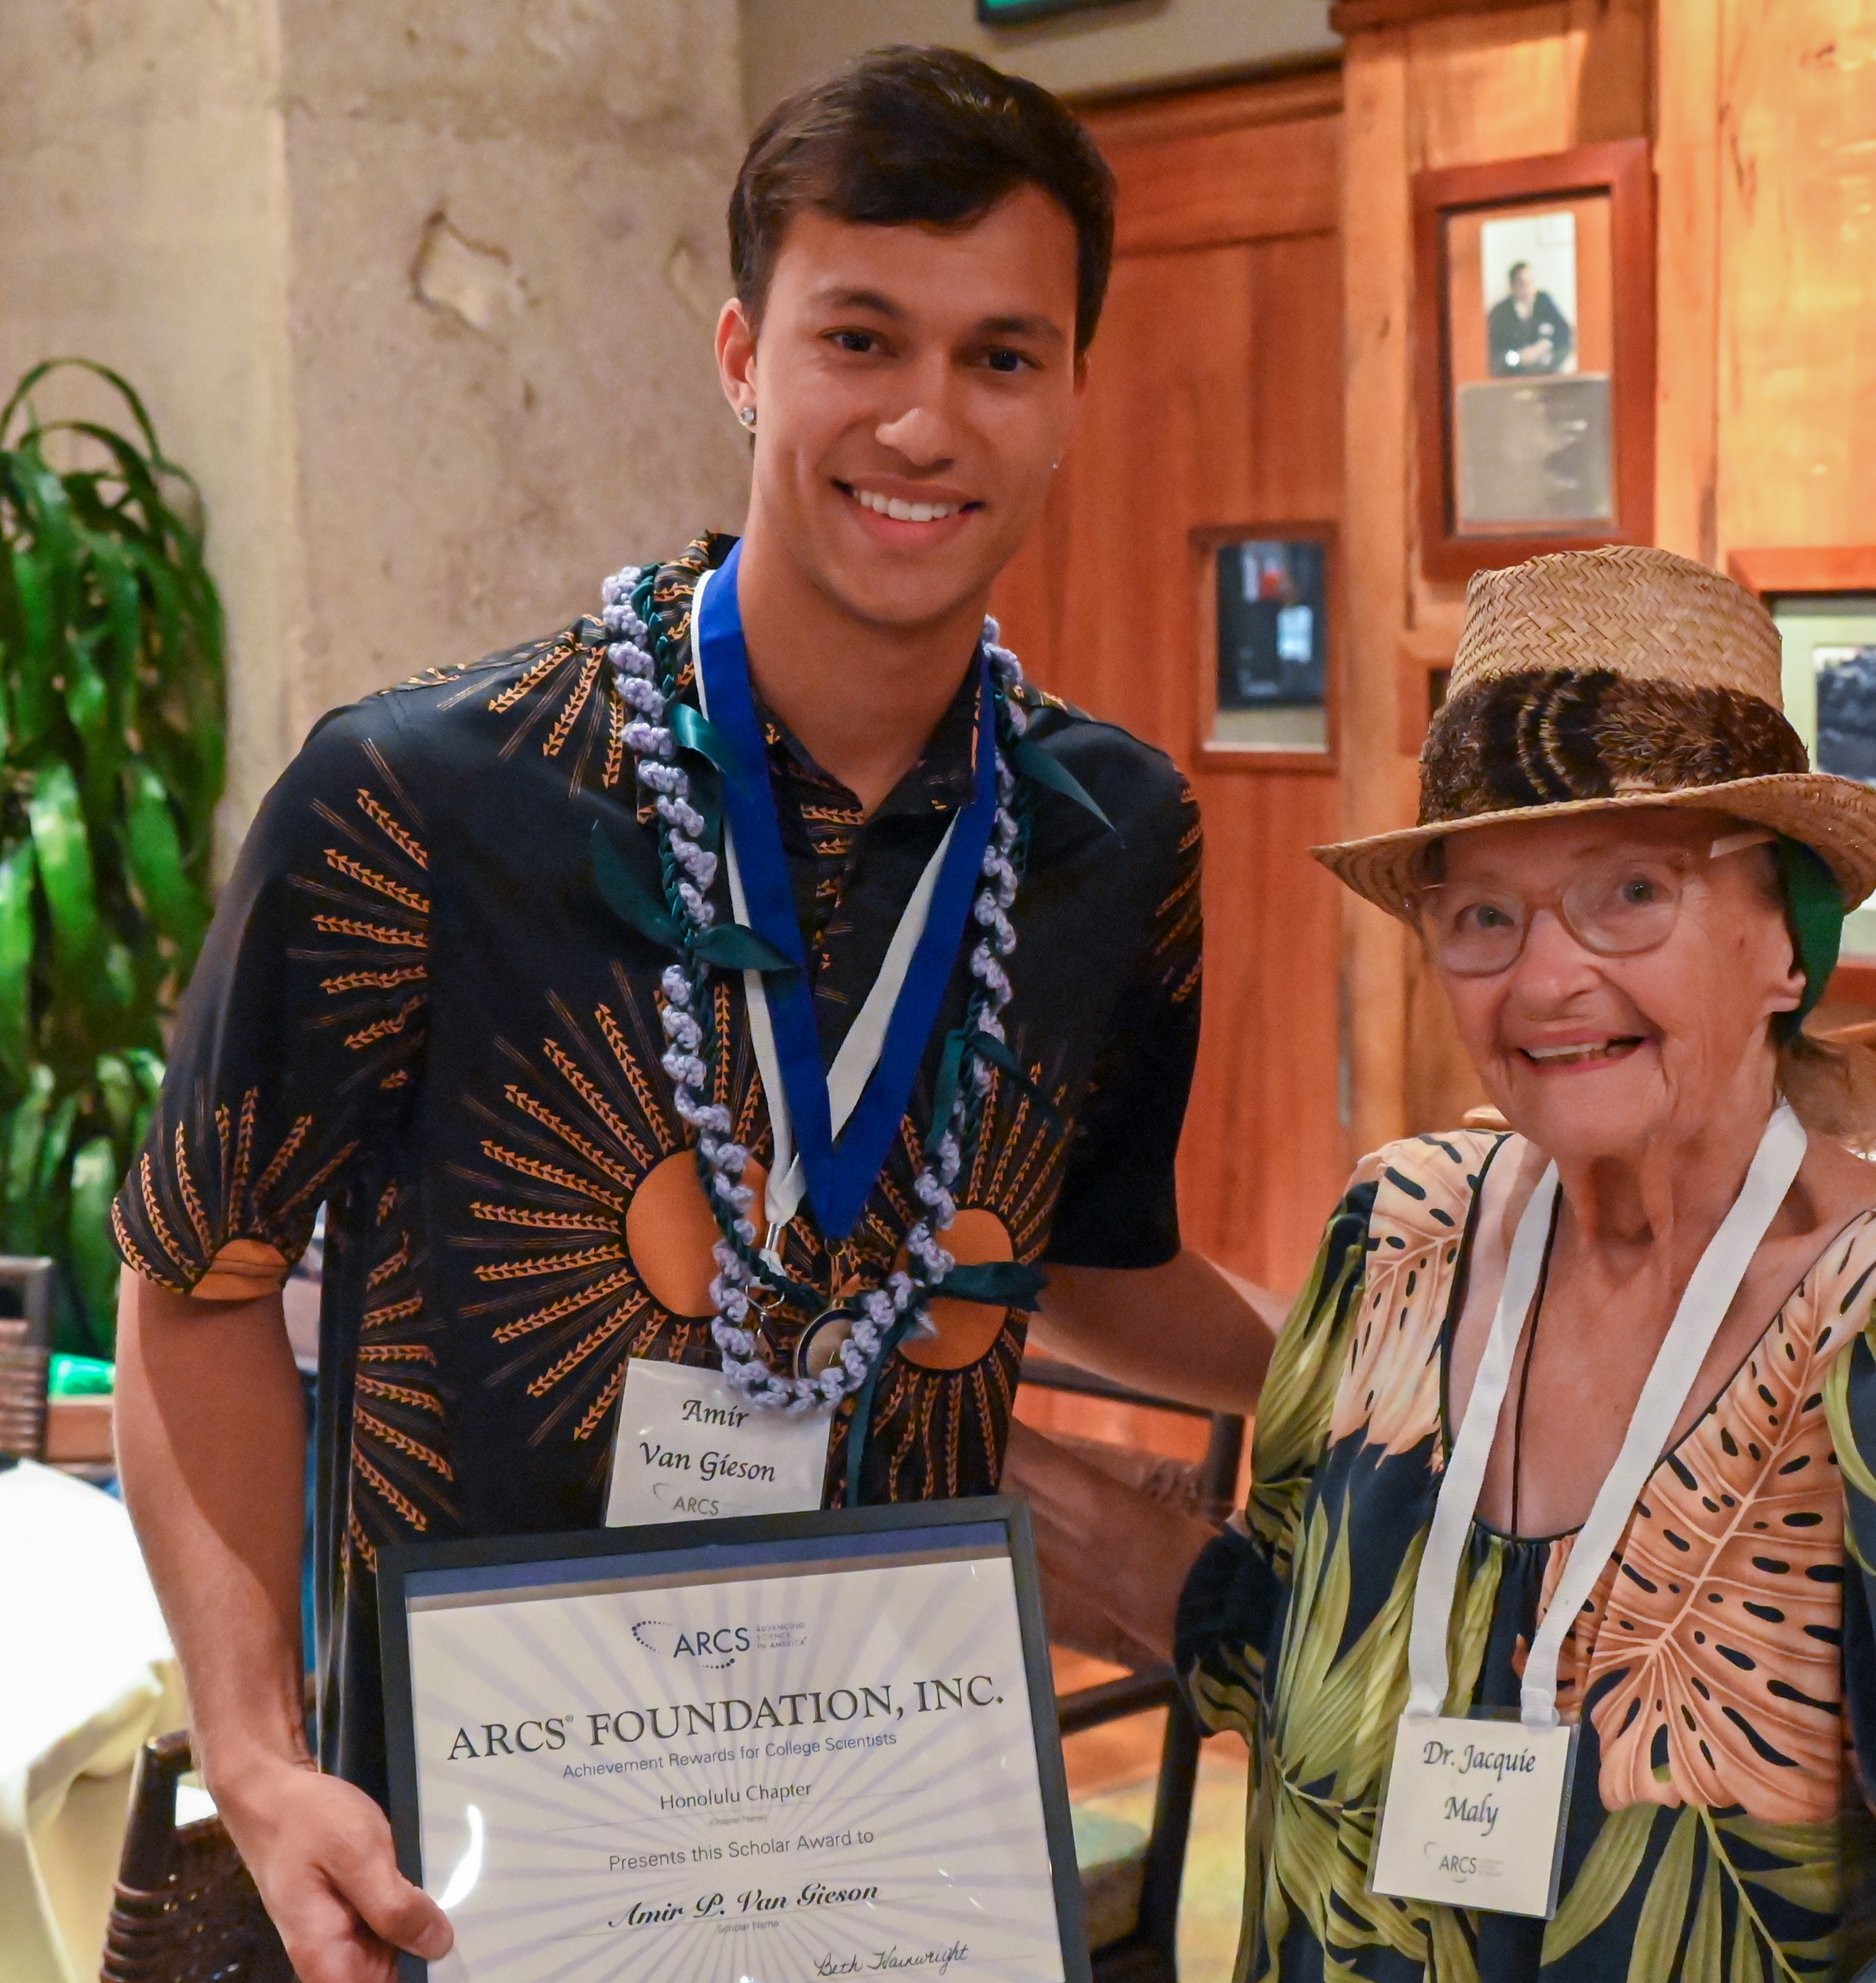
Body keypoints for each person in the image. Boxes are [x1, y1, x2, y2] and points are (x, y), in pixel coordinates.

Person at [110, 47, 1279, 1983]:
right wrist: (254, 1751)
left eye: (1002, 354)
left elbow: (1083, 1259)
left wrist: (1421, 1346)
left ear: (1073, 392)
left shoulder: (1111, 834)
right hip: (481, 1844)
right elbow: (194, 1278)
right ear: (745, 354)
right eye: (861, 338)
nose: (925, 419)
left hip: (897, 1831)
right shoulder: (423, 799)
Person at [1178, 546, 1876, 1982]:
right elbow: (1252, 1647)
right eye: (1482, 914)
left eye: (1628, 890)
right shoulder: (1397, 1230)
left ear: (1787, 938)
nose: (1543, 975)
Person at [1487, 261, 1571, 375]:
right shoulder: (1500, 313)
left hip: (1546, 370)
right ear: (1513, 286)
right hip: (1514, 374)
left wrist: (1544, 346)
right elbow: (1494, 352)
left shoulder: (1543, 300)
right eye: (1523, 284)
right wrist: (1519, 357)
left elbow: (1564, 330)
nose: (1529, 289)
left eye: (1531, 282)